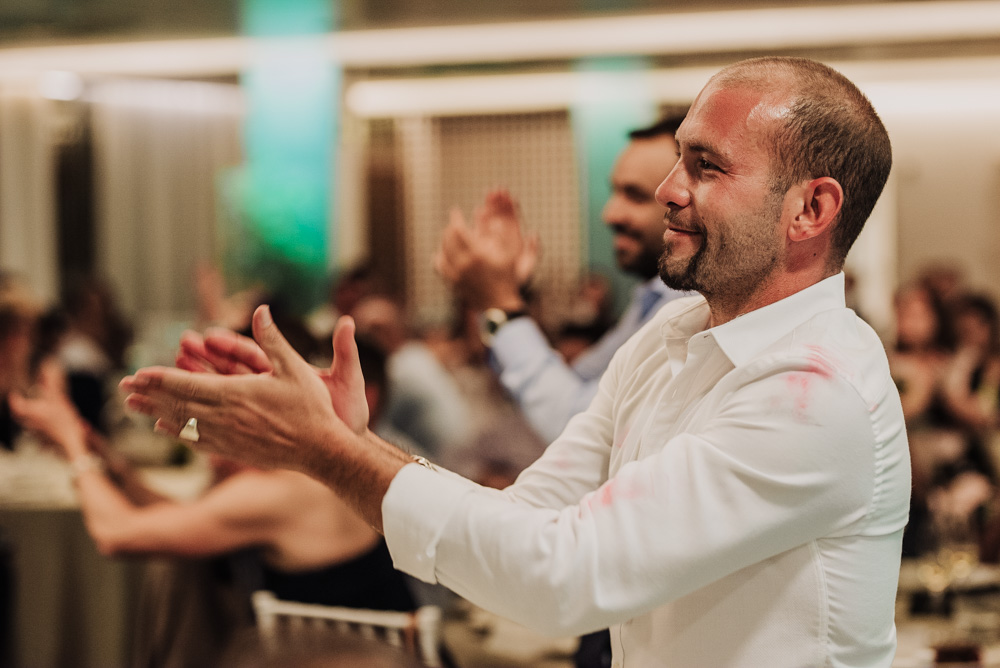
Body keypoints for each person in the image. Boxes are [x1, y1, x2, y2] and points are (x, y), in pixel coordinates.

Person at [122, 56, 910, 667]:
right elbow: (529, 523)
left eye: (706, 166)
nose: (669, 190)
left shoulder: (816, 392)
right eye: (680, 160)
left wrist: (326, 453)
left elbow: (562, 577)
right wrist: (348, 440)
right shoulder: (669, 339)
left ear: (811, 209)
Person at [437, 116, 690, 443]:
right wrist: (500, 299)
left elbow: (575, 426)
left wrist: (500, 303)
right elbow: (550, 385)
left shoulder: (687, 303)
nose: (610, 214)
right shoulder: (652, 295)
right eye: (614, 191)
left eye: (636, 195)